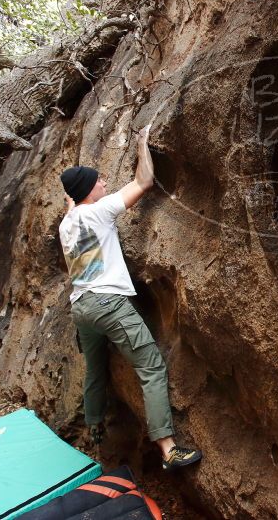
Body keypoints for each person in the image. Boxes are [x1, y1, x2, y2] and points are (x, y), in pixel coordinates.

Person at [58, 123, 201, 471]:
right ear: (90, 190)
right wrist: (142, 143)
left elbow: (71, 204)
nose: (105, 182)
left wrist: (73, 197)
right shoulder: (100, 210)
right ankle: (168, 450)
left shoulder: (67, 223)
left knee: (95, 369)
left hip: (82, 308)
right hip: (109, 303)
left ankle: (93, 428)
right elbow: (144, 182)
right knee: (150, 366)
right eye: (99, 181)